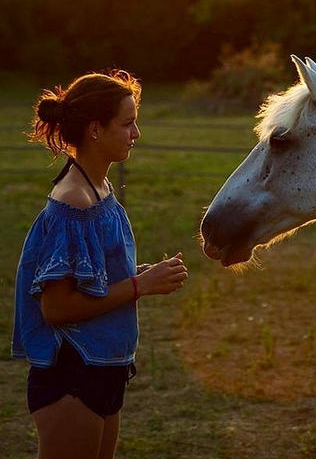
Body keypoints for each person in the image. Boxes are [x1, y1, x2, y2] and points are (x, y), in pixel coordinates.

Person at [12, 69, 188, 459]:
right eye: (127, 124)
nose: (136, 134)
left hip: (105, 367)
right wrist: (141, 286)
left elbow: (90, 277)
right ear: (95, 129)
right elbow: (56, 308)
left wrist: (141, 274)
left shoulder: (99, 190)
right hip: (72, 374)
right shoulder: (73, 201)